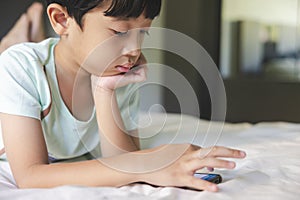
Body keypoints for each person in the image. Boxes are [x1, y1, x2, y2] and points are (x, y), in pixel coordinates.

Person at [0, 0, 246, 191]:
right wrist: (146, 163)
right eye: (119, 33)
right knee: (12, 54)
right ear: (62, 19)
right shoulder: (20, 68)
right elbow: (30, 176)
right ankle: (21, 33)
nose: (134, 50)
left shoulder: (120, 71)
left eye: (142, 34)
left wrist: (104, 90)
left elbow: (120, 161)